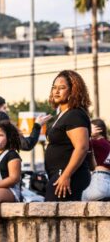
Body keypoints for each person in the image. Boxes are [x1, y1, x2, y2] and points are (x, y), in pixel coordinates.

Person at [45, 70, 94, 202]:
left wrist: (66, 175)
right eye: (54, 88)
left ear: (73, 91)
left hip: (69, 176)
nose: (56, 92)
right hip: (57, 175)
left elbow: (82, 147)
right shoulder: (60, 115)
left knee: (49, 218)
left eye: (62, 88)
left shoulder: (75, 114)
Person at [82, 118, 110, 201]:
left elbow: (82, 143)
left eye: (90, 128)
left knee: (80, 199)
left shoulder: (95, 143)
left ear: (98, 130)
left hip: (99, 180)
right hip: (107, 180)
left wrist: (89, 134)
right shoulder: (107, 143)